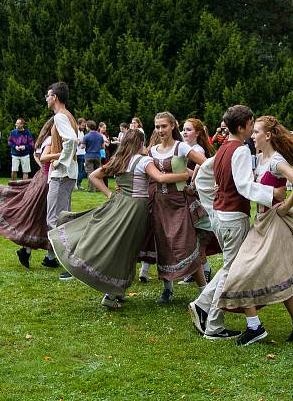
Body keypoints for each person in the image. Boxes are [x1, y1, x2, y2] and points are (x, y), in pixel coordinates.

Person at [213, 115, 293, 346]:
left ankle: (255, 327)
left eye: (257, 132)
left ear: (268, 136)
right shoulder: (259, 158)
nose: (252, 136)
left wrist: (285, 207)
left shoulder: (276, 161)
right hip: (261, 222)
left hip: (274, 223)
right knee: (281, 275)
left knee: (240, 273)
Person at [49, 129, 189, 308]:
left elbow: (93, 176)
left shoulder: (119, 160)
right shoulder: (143, 161)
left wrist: (109, 194)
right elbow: (160, 178)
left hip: (120, 204)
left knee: (120, 245)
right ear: (140, 143)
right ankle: (111, 293)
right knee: (127, 247)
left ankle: (116, 290)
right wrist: (184, 175)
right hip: (137, 208)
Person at [189, 105, 276, 341]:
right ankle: (213, 325)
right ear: (241, 127)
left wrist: (212, 206)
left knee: (230, 266)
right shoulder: (240, 151)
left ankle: (202, 305)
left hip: (222, 216)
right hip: (233, 218)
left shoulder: (224, 148)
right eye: (251, 123)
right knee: (231, 271)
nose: (253, 127)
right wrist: (272, 194)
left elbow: (204, 177)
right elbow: (244, 185)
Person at [142, 111, 207, 303]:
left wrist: (193, 183)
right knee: (163, 244)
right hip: (158, 203)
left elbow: (206, 164)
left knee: (185, 244)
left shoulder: (182, 147)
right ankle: (167, 288)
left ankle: (204, 290)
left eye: (164, 126)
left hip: (178, 202)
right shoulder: (152, 150)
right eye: (157, 126)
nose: (160, 130)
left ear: (172, 126)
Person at [0, 118, 54, 267]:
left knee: (42, 216)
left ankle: (44, 255)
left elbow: (38, 156)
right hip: (46, 180)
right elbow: (43, 158)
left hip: (42, 178)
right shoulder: (51, 140)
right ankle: (33, 252)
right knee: (44, 215)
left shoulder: (46, 139)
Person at [178, 117, 218, 285]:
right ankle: (198, 272)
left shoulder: (198, 150)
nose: (184, 132)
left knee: (197, 238)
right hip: (192, 198)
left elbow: (200, 170)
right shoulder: (189, 148)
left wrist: (182, 174)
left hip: (197, 199)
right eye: (183, 129)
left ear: (198, 133)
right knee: (193, 238)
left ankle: (204, 272)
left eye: (188, 129)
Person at [43, 82, 78, 273]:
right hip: (67, 174)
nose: (47, 99)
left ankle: (70, 263)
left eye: (48, 96)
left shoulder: (60, 117)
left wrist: (59, 162)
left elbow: (71, 141)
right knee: (62, 217)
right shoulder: (69, 116)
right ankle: (52, 257)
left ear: (55, 97)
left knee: (55, 219)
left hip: (62, 174)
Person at [81, 121, 104, 192]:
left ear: (88, 127)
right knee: (98, 173)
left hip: (89, 156)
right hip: (97, 156)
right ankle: (98, 188)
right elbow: (103, 147)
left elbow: (82, 146)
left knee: (90, 173)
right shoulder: (100, 136)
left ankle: (91, 189)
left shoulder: (86, 136)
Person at [75, 118, 87, 189]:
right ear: (78, 124)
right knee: (79, 170)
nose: (84, 127)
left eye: (84, 125)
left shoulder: (82, 132)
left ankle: (78, 183)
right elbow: (77, 141)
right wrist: (81, 141)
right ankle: (77, 184)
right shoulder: (76, 132)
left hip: (83, 153)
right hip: (78, 154)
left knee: (82, 170)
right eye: (82, 125)